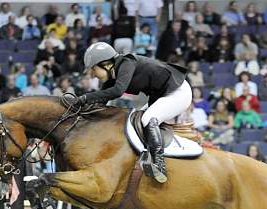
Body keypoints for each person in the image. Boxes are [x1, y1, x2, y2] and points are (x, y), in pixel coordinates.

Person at [72, 42, 191, 183]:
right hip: (163, 95)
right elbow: (100, 102)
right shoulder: (113, 75)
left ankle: (159, 164)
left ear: (105, 64)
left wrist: (85, 98)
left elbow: (117, 91)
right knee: (135, 119)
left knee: (148, 119)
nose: (93, 75)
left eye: (94, 70)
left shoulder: (126, 63)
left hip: (178, 92)